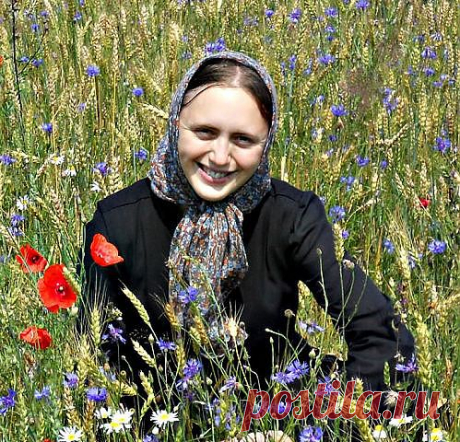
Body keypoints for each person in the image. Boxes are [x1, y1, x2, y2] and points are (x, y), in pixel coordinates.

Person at [81, 52, 415, 438]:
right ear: (175, 125)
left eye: (243, 139)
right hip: (158, 419)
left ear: (266, 142)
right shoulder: (118, 222)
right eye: (204, 132)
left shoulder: (292, 216)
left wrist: (337, 417)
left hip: (278, 413)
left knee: (412, 407)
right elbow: (92, 353)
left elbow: (380, 332)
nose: (220, 157)